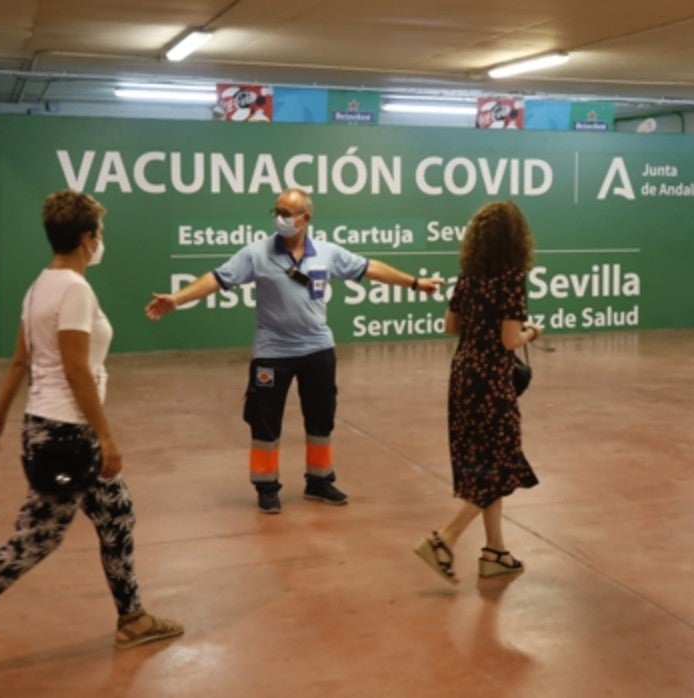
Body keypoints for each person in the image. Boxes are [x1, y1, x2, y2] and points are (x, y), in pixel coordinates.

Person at [0, 190, 182, 690]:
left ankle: (132, 618)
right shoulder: (75, 291)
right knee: (34, 542)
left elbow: (21, 362)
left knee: (117, 512)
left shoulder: (39, 287)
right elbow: (77, 371)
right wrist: (107, 438)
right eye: (98, 232)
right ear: (86, 238)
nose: (101, 241)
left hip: (46, 426)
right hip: (68, 435)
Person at [145, 188, 442, 513]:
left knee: (321, 418)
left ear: (306, 218)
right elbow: (217, 278)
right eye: (276, 211)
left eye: (287, 213)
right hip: (272, 352)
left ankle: (319, 481)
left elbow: (369, 268)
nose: (280, 219)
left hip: (318, 349)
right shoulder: (256, 253)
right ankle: (266, 487)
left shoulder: (327, 253)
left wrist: (415, 283)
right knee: (264, 421)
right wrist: (177, 298)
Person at [414, 200, 540, 584]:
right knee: (501, 463)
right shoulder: (511, 279)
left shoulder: (468, 277)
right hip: (491, 379)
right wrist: (532, 333)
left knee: (483, 461)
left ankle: (495, 552)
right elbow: (508, 340)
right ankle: (444, 540)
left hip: (463, 374)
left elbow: (451, 325)